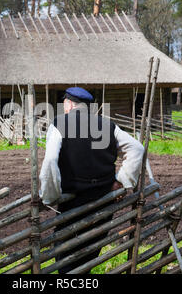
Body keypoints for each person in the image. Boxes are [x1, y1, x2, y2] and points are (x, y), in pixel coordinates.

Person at [38, 87, 144, 274]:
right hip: (103, 199)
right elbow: (137, 149)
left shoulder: (59, 124)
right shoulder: (107, 125)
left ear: (69, 104)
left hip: (73, 201)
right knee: (90, 249)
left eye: (64, 104)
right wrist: (121, 181)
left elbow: (50, 160)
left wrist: (49, 196)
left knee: (65, 255)